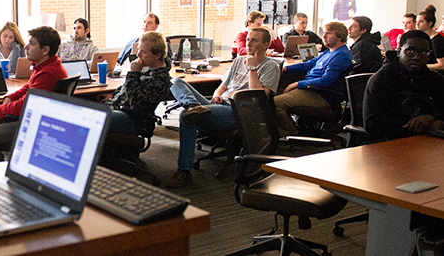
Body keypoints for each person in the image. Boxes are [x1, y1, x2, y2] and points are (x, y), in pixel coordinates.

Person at [167, 27, 281, 188]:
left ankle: (184, 171)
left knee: (186, 116)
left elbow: (258, 98)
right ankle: (192, 105)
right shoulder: (238, 60)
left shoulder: (271, 67)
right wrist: (216, 95)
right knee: (176, 81)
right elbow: (222, 86)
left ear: (266, 45)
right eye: (248, 39)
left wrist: (253, 68)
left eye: (254, 40)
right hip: (220, 104)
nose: (248, 44)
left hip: (239, 111)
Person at [0, 26, 67, 163]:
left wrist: (0, 109)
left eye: (32, 44)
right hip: (28, 118)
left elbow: (26, 104)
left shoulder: (49, 72)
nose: (26, 47)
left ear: (45, 50)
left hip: (34, 126)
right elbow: (28, 87)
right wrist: (10, 97)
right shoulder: (43, 65)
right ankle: (1, 158)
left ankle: (1, 171)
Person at [274, 21, 353, 137]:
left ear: (340, 36)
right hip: (311, 90)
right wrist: (286, 69)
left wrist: (298, 84)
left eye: (329, 33)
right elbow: (310, 64)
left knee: (275, 103)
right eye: (324, 33)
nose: (324, 36)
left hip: (320, 95)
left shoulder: (341, 55)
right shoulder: (329, 52)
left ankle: (291, 134)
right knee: (270, 95)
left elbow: (326, 81)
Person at [363, 30, 444, 139]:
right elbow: (371, 122)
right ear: (398, 52)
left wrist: (432, 118)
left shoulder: (435, 79)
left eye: (424, 52)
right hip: (388, 142)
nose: (417, 57)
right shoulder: (382, 79)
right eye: (410, 51)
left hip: (428, 142)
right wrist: (414, 125)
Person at [103, 31, 171, 136]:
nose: (138, 55)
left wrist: (133, 73)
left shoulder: (161, 78)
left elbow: (136, 102)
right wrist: (112, 95)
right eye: (139, 50)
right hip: (119, 108)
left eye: (143, 52)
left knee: (94, 117)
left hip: (134, 119)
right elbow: (126, 88)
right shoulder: (147, 68)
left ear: (157, 55)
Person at [417, 5, 444, 71]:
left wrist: (421, 66)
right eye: (417, 21)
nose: (417, 24)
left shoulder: (437, 41)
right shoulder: (424, 38)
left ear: (429, 24)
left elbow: (442, 65)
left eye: (421, 21)